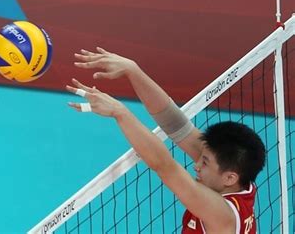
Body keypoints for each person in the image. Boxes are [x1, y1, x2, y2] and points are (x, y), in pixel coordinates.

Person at [66, 47, 266, 233]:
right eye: (201, 157)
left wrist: (120, 113)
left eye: (204, 162)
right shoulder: (236, 177)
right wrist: (133, 70)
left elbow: (164, 166)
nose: (196, 165)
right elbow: (176, 125)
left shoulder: (222, 215)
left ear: (230, 178)